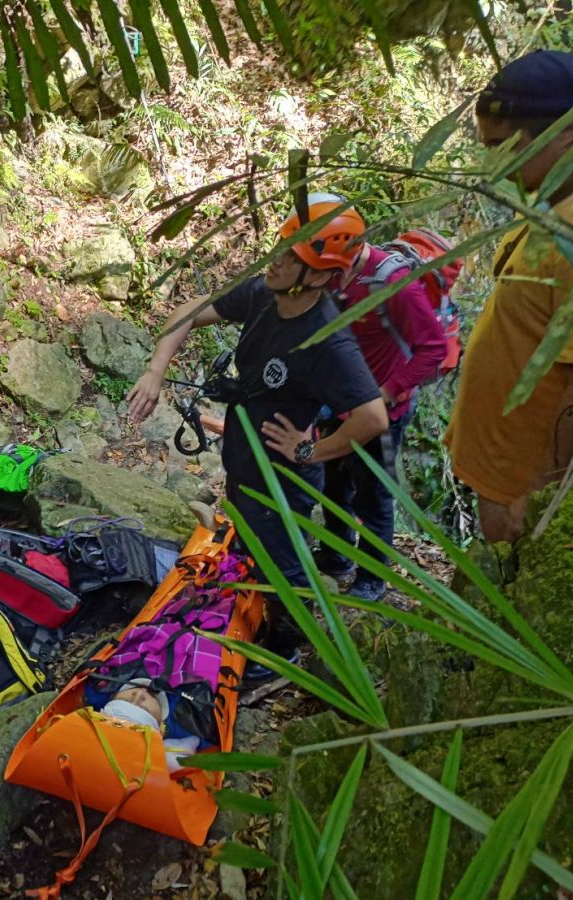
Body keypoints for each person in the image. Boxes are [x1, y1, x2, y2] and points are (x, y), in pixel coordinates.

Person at [127, 201, 388, 679]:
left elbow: (372, 417)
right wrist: (155, 369)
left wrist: (308, 449)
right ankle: (254, 605)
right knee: (254, 540)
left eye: (290, 256)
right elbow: (188, 311)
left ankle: (284, 650)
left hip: (283, 474)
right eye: (280, 248)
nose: (275, 259)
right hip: (247, 452)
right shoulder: (266, 294)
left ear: (317, 276)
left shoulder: (328, 339)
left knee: (281, 564)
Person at [445, 50, 573, 543]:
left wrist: (542, 506)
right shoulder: (563, 193)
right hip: (503, 467)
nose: (495, 165)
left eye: (505, 147)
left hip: (524, 490)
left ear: (568, 130)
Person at [312, 195, 449, 600]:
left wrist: (386, 394)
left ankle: (373, 577)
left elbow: (433, 348)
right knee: (333, 484)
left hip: (386, 410)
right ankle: (337, 557)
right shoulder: (330, 274)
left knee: (374, 493)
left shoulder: (394, 284)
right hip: (337, 402)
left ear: (349, 250)